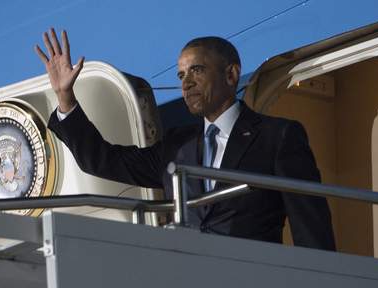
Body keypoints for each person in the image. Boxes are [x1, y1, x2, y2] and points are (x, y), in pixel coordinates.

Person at [35, 28, 336, 251]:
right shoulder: (176, 147)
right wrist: (65, 98)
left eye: (197, 70)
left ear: (231, 75)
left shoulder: (278, 136)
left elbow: (311, 226)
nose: (186, 83)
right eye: (180, 75)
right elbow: (105, 160)